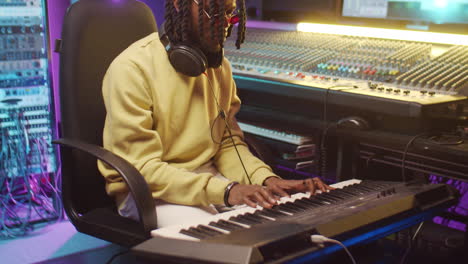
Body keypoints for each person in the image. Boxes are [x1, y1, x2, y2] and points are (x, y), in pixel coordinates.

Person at [98, 0, 332, 228]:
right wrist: (227, 191)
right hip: (148, 190)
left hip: (210, 180)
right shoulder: (132, 69)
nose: (226, 25)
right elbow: (141, 168)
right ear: (179, 4)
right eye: (214, 12)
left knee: (280, 218)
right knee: (218, 239)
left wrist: (267, 180)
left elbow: (227, 144)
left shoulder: (218, 67)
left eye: (231, 14)